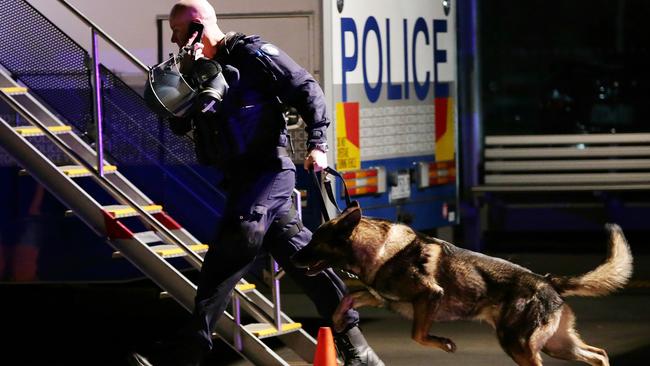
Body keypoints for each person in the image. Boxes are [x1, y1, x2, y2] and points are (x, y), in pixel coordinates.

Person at [130, 1, 384, 365]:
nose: (173, 38)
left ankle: (188, 350)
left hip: (270, 171)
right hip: (240, 178)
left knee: (235, 237)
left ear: (199, 28)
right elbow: (185, 125)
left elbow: (306, 88)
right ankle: (360, 350)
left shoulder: (253, 55)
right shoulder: (197, 70)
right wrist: (180, 107)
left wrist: (318, 144)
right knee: (305, 258)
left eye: (178, 30)